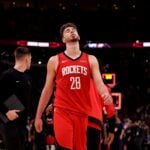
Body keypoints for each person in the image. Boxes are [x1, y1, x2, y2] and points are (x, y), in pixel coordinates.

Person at [34, 22, 113, 150]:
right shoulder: (54, 60)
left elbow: (99, 83)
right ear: (63, 39)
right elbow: (47, 89)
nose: (71, 31)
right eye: (67, 31)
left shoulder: (91, 59)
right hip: (62, 111)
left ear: (79, 36)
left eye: (74, 30)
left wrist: (105, 94)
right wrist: (38, 116)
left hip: (82, 113)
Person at [0, 47, 32, 150]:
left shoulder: (27, 78)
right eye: (31, 59)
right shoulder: (7, 75)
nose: (31, 62)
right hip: (9, 123)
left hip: (22, 124)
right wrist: (6, 112)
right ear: (27, 59)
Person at [87, 79, 116, 150]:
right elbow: (111, 110)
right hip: (94, 123)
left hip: (76, 123)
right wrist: (111, 131)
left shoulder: (73, 78)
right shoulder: (101, 85)